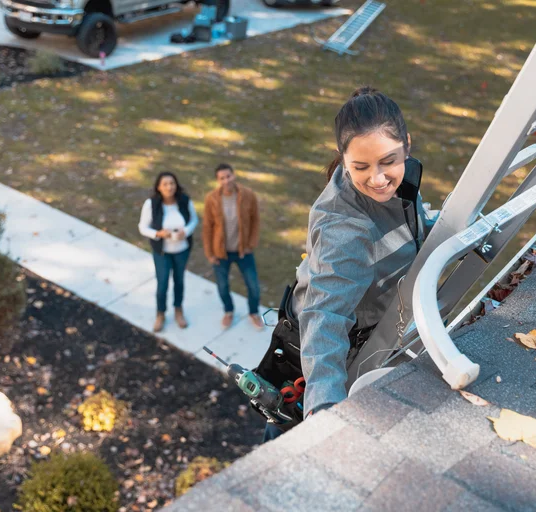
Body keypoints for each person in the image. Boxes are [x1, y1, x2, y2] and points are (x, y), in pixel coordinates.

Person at [258, 87, 433, 441]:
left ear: (408, 145)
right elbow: (325, 319)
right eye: (361, 167)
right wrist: (324, 416)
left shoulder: (401, 182)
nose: (379, 178)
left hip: (366, 333)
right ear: (342, 159)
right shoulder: (346, 228)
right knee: (286, 451)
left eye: (388, 161)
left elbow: (412, 226)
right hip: (332, 352)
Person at [202, 163, 264, 330]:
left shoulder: (247, 195)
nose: (226, 180)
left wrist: (251, 244)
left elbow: (255, 220)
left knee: (253, 286)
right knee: (222, 286)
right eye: (221, 178)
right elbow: (207, 226)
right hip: (220, 253)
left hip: (243, 251)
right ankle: (228, 312)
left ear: (233, 175)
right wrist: (210, 253)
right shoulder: (212, 198)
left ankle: (254, 313)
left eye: (228, 176)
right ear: (217, 180)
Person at [138, 172, 198, 332]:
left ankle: (178, 310)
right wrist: (158, 234)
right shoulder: (151, 204)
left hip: (182, 250)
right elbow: (143, 227)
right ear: (159, 187)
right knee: (162, 283)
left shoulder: (184, 200)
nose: (169, 187)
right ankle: (161, 313)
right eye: (165, 184)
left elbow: (194, 220)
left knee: (179, 282)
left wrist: (185, 231)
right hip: (162, 252)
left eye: (172, 183)